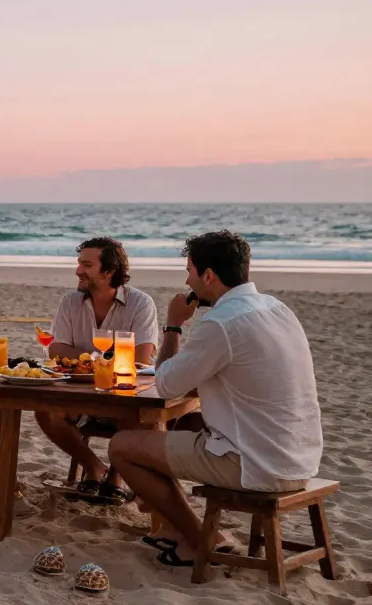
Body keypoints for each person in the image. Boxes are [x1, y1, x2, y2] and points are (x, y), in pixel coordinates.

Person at [109, 231, 322, 567]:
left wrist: (174, 325)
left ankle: (201, 540)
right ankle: (177, 529)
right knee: (186, 422)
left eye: (190, 271)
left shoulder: (221, 323)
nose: (186, 279)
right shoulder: (277, 309)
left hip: (255, 464)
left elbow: (165, 385)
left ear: (208, 276)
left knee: (122, 446)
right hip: (300, 455)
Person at [35, 236, 159, 503]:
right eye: (79, 263)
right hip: (80, 393)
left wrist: (83, 361)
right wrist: (97, 364)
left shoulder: (141, 303)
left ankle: (116, 476)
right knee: (45, 411)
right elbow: (56, 349)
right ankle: (93, 467)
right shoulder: (70, 302)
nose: (78, 270)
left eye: (86, 265)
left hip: (123, 394)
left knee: (132, 414)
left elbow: (142, 358)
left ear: (109, 271)